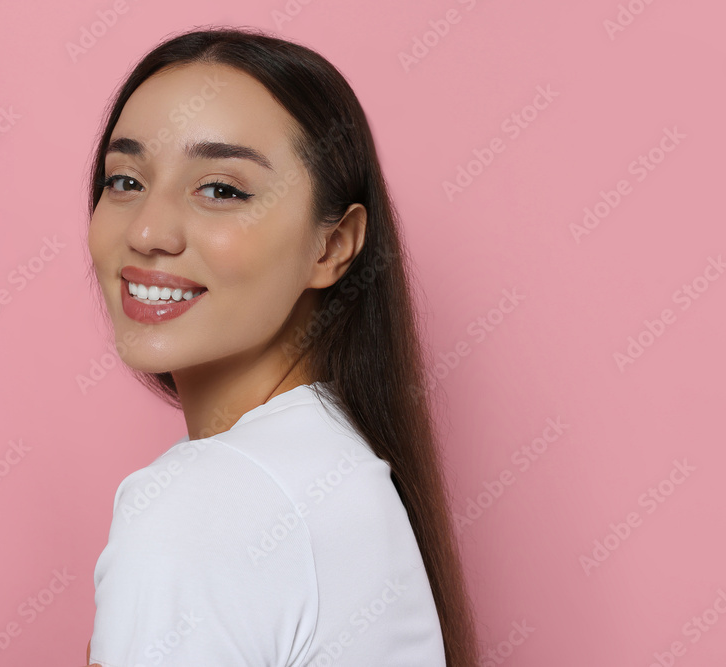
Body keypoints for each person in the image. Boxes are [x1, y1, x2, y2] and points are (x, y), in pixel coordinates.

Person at [82, 25, 479, 666]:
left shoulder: (210, 501)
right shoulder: (333, 465)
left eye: (221, 189)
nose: (148, 231)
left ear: (333, 246)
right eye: (125, 181)